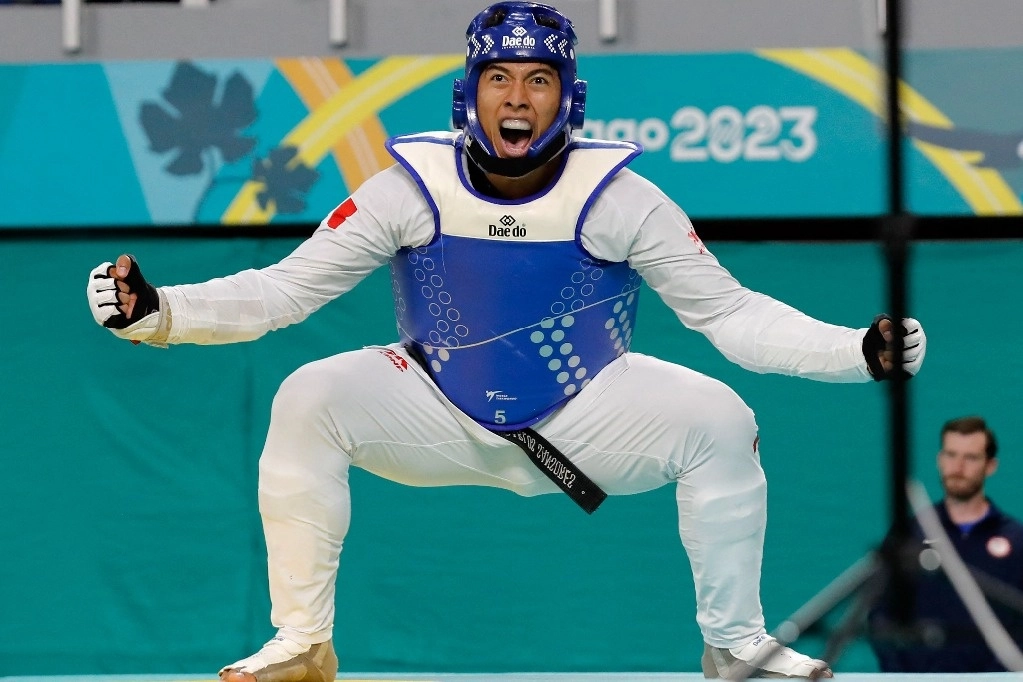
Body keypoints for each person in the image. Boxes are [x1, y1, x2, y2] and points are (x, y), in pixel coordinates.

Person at [86, 3, 927, 680]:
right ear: (467, 93)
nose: (516, 98)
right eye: (497, 77)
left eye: (537, 79)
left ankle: (733, 646)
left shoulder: (623, 198)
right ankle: (303, 644)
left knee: (719, 419)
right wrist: (157, 309)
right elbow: (282, 290)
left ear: (569, 97)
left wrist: (856, 350)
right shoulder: (405, 187)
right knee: (307, 394)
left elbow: (731, 316)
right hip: (434, 415)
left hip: (589, 421)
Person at [869, 416, 1023, 673]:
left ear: (990, 465)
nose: (958, 466)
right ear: (940, 460)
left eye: (971, 457)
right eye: (951, 454)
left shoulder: (1017, 541)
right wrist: (903, 676)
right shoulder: (909, 535)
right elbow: (879, 615)